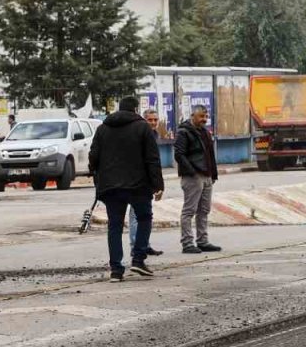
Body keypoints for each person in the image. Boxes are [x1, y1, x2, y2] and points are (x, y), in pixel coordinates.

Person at [89, 96, 164, 282]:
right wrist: (157, 185)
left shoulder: (102, 129)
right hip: (138, 185)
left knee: (114, 225)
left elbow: (93, 158)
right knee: (145, 218)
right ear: (135, 109)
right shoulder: (142, 128)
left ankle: (116, 270)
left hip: (110, 187)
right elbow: (152, 159)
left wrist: (99, 179)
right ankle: (138, 259)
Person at [175, 105, 221, 254]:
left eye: (206, 117)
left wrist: (213, 174)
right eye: (201, 117)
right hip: (193, 177)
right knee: (189, 211)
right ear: (193, 116)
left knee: (204, 210)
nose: (204, 120)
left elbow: (210, 155)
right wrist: (192, 172)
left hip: (207, 176)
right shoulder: (184, 132)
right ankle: (187, 243)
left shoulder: (205, 133)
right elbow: (179, 154)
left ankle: (202, 241)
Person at [127, 109, 164, 257]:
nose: (153, 123)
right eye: (150, 120)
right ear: (144, 120)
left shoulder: (154, 135)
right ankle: (135, 245)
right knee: (135, 215)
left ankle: (144, 244)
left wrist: (156, 184)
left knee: (145, 215)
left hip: (148, 181)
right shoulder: (138, 135)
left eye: (155, 120)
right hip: (137, 181)